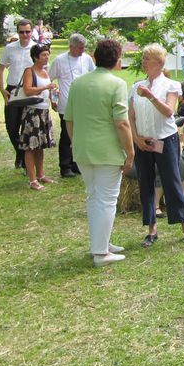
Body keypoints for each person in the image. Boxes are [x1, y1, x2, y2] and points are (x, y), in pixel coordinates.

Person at [65, 39, 134, 267]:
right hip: (107, 151)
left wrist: (77, 142)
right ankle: (101, 252)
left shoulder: (78, 83)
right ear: (117, 60)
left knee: (94, 197)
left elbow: (69, 120)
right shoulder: (117, 84)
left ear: (95, 58)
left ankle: (100, 243)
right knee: (105, 200)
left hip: (83, 150)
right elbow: (122, 123)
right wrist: (130, 152)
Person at [129, 44, 184, 248]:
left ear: (159, 63)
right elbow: (131, 116)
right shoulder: (136, 86)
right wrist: (136, 138)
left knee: (172, 180)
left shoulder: (170, 85)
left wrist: (150, 96)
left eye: (147, 59)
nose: (143, 62)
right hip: (144, 141)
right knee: (146, 182)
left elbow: (169, 111)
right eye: (143, 58)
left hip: (165, 139)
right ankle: (152, 229)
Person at [50, 33, 96, 178]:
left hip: (85, 103)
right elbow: (49, 81)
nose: (82, 50)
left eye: (84, 47)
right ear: (71, 47)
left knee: (81, 134)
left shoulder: (87, 59)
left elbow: (94, 76)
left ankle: (77, 164)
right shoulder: (59, 60)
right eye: (80, 48)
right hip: (66, 103)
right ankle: (65, 166)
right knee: (66, 135)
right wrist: (53, 99)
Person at [0, 19, 36, 171]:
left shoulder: (36, 48)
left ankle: (26, 162)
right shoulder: (10, 48)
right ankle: (20, 153)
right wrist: (1, 89)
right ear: (17, 32)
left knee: (27, 128)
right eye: (21, 32)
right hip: (12, 89)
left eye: (27, 31)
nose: (25, 35)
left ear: (31, 31)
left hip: (29, 89)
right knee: (11, 127)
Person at [18, 44, 57, 191]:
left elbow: (47, 89)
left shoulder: (45, 72)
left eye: (48, 54)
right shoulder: (30, 71)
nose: (47, 57)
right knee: (30, 146)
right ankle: (32, 179)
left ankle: (41, 174)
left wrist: (53, 98)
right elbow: (27, 90)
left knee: (41, 145)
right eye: (44, 55)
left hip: (44, 111)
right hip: (32, 112)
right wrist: (45, 88)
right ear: (36, 57)